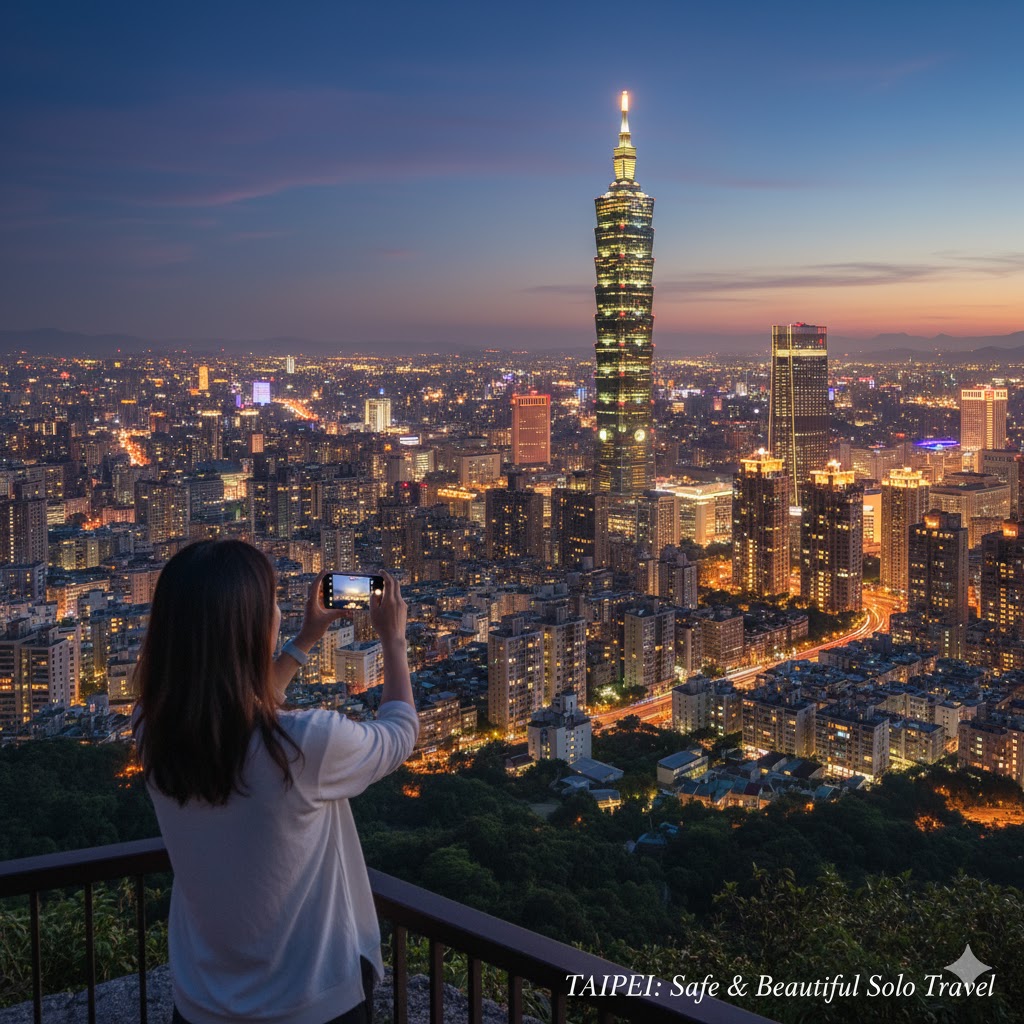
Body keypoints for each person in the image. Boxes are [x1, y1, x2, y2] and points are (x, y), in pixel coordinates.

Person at [132, 540, 418, 1024]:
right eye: (271, 604)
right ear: (248, 630)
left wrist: (306, 639)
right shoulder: (305, 744)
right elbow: (400, 731)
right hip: (314, 1002)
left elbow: (235, 705)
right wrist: (393, 639)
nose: (279, 613)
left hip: (202, 1004)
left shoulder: (152, 729)